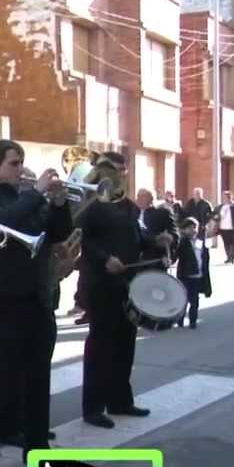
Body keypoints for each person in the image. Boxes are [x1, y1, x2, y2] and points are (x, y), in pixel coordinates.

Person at [0, 140, 72, 467]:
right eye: (14, 164)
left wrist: (58, 204)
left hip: (37, 297)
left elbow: (57, 233)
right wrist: (38, 193)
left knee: (38, 376)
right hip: (4, 300)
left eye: (21, 162)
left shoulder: (30, 198)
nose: (20, 169)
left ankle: (37, 446)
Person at [77, 153, 172, 429]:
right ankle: (93, 407)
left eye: (124, 169)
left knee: (125, 343)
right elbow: (82, 240)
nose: (123, 174)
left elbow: (138, 237)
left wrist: (157, 241)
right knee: (100, 345)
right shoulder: (92, 204)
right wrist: (105, 258)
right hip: (100, 283)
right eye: (117, 169)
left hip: (128, 283)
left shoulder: (129, 206)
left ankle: (120, 400)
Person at [176, 217, 211, 329]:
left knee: (194, 300)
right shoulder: (182, 243)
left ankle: (193, 321)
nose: (194, 230)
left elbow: (204, 257)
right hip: (185, 276)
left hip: (197, 275)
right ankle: (180, 319)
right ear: (184, 230)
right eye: (190, 228)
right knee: (184, 300)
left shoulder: (200, 242)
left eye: (195, 227)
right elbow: (175, 255)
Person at [216, 191, 234, 264]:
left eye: (225, 197)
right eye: (223, 197)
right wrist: (216, 217)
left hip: (232, 227)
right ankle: (228, 257)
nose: (224, 198)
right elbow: (215, 215)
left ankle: (232, 257)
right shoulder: (220, 207)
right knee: (226, 243)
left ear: (230, 197)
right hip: (223, 227)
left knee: (233, 243)